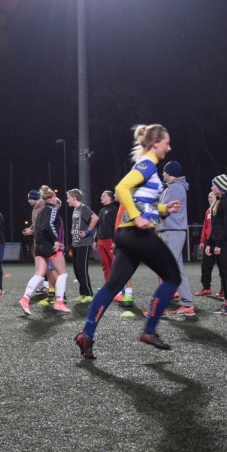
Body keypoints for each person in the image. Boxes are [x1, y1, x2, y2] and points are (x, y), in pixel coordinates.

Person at [74, 124, 183, 360]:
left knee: (112, 287)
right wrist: (136, 216)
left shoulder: (148, 168)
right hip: (137, 233)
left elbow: (142, 201)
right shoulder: (147, 164)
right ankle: (150, 329)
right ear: (156, 144)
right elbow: (121, 188)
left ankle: (87, 334)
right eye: (167, 142)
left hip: (126, 234)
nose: (169, 147)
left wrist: (164, 208)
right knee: (173, 277)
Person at [18, 185, 70, 314]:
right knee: (62, 273)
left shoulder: (40, 211)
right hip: (49, 246)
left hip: (39, 246)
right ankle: (59, 301)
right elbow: (50, 225)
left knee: (39, 274)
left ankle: (25, 298)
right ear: (52, 197)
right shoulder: (52, 209)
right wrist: (56, 240)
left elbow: (40, 228)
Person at [158, 161, 196, 316]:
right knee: (177, 269)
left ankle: (160, 308)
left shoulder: (174, 188)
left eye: (164, 172)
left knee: (167, 269)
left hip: (172, 231)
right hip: (173, 231)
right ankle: (188, 305)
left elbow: (163, 210)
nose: (163, 174)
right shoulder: (176, 187)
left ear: (170, 173)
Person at [207, 174, 227, 315]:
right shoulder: (219, 201)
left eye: (214, 184)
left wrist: (219, 243)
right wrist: (209, 243)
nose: (212, 187)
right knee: (223, 272)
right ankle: (226, 302)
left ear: (220, 187)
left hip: (226, 241)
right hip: (220, 241)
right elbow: (216, 226)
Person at [66, 189, 98, 303]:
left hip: (84, 244)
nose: (67, 200)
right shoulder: (76, 209)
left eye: (68, 197)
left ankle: (89, 294)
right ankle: (82, 293)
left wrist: (88, 232)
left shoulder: (83, 208)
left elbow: (95, 218)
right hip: (76, 244)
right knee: (76, 269)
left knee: (82, 269)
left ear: (74, 198)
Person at [195, 191, 223, 297]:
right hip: (208, 243)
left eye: (210, 197)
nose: (208, 198)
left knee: (222, 267)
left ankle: (223, 290)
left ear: (216, 197)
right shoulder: (208, 211)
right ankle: (206, 288)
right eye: (208, 197)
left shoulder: (220, 209)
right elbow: (205, 227)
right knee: (205, 266)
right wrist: (203, 241)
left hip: (218, 242)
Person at [95, 190, 116, 282]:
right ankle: (108, 284)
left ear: (109, 198)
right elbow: (98, 226)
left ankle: (117, 285)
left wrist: (115, 241)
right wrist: (95, 240)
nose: (101, 197)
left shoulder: (114, 210)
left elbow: (116, 226)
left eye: (103, 196)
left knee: (114, 263)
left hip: (110, 239)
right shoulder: (101, 210)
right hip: (100, 240)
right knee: (105, 263)